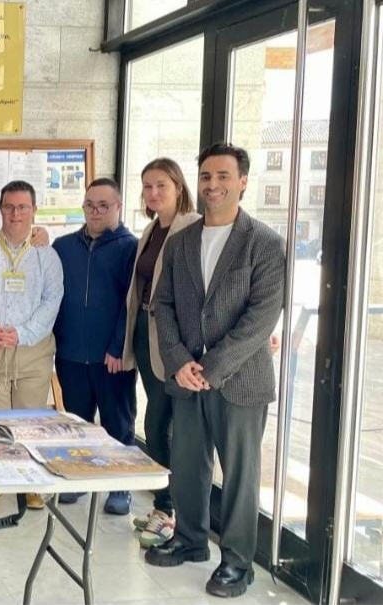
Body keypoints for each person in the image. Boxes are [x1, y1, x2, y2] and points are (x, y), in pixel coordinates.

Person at [146, 143, 285, 600]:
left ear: (242, 182)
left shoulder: (265, 243)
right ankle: (190, 540)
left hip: (240, 381)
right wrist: (178, 361)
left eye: (223, 176)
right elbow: (162, 305)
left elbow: (261, 319)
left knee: (240, 476)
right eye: (206, 176)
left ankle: (238, 563)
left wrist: (211, 367)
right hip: (186, 378)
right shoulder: (182, 241)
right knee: (188, 466)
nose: (213, 184)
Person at [0, 180, 63, 509]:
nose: (15, 213)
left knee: (30, 421)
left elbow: (52, 299)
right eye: (9, 207)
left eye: (22, 207)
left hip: (33, 351)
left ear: (34, 210)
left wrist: (24, 333)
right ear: (0, 209)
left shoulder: (47, 255)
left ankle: (30, 483)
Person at [121, 158, 201, 547]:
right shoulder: (152, 230)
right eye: (147, 186)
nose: (153, 193)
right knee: (156, 422)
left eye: (161, 186)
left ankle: (171, 513)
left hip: (173, 341)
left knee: (160, 426)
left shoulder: (192, 227)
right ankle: (164, 508)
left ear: (178, 187)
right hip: (145, 334)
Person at [51, 178, 139, 515]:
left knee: (118, 424)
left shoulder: (130, 248)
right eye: (90, 205)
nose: (95, 212)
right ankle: (81, 478)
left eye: (104, 205)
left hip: (110, 358)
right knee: (77, 424)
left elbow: (130, 304)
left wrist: (118, 347)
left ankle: (120, 487)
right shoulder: (63, 246)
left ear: (118, 206)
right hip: (71, 353)